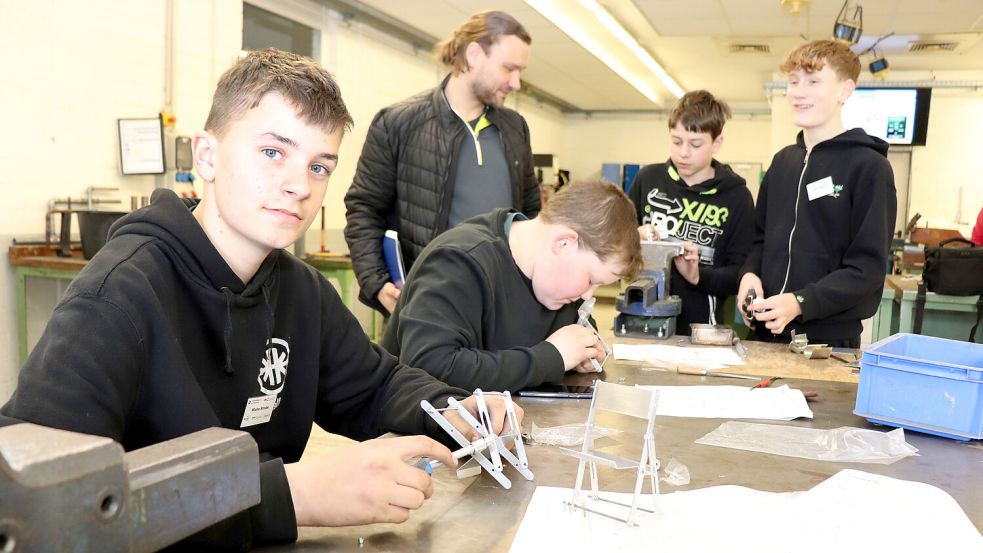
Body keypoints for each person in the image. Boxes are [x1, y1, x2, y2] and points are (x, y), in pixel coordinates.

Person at [0, 49, 520, 550]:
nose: (299, 185)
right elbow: (36, 505)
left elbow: (374, 386)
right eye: (273, 152)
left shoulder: (301, 291)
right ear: (207, 156)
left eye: (320, 166)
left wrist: (455, 409)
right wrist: (289, 495)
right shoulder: (117, 296)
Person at [344, 10, 540, 316]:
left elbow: (531, 214)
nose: (516, 83)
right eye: (509, 69)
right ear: (474, 54)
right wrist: (377, 283)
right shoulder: (398, 123)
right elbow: (364, 209)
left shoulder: (516, 129)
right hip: (426, 306)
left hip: (500, 306)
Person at [381, 179, 643, 392]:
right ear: (564, 243)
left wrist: (583, 350)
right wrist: (551, 358)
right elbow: (428, 367)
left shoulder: (555, 281)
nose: (587, 295)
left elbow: (570, 329)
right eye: (590, 280)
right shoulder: (460, 261)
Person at [737, 40, 897, 348]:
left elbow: (867, 269)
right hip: (763, 336)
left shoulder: (869, 168)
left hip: (827, 345)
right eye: (794, 81)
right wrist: (749, 275)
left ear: (845, 90)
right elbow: (758, 242)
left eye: (813, 81)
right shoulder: (782, 162)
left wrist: (800, 302)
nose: (798, 91)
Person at [628, 90, 754, 334]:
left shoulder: (737, 197)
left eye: (695, 144)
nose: (683, 153)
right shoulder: (648, 179)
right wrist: (633, 237)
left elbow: (740, 272)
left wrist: (698, 276)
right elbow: (614, 244)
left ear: (717, 143)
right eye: (676, 141)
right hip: (639, 318)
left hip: (701, 329)